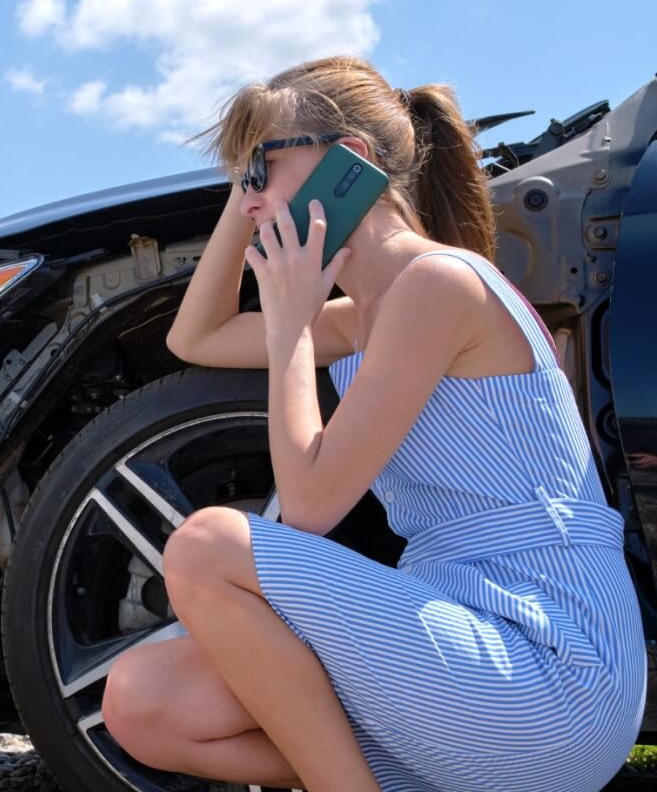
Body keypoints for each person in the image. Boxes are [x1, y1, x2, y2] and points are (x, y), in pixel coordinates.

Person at [98, 55, 646, 792]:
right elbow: (194, 338)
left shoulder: (439, 284)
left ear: (348, 166)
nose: (249, 201)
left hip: (553, 671)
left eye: (259, 172)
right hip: (466, 655)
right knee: (142, 700)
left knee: (206, 547)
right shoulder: (365, 320)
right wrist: (247, 194)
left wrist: (290, 327)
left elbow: (314, 506)